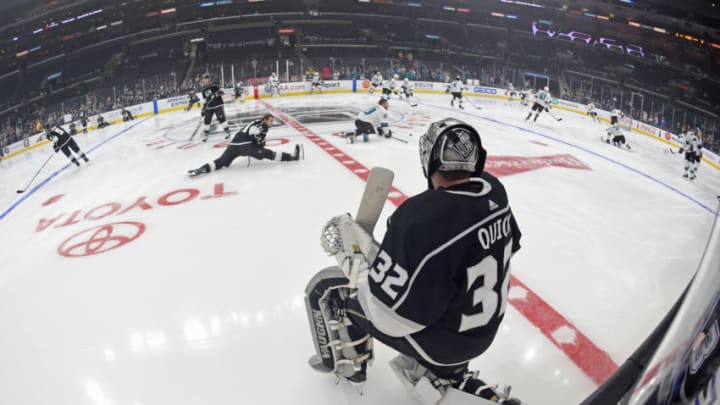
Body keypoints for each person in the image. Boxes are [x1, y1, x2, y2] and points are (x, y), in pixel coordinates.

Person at [305, 118, 524, 404]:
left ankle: (350, 370)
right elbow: (496, 245)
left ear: (428, 159)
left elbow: (388, 318)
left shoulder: (420, 217)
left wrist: (352, 262)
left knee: (329, 291)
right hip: (481, 333)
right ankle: (448, 374)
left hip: (447, 344)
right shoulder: (494, 191)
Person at [187, 113, 302, 177]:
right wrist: (260, 144)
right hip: (245, 145)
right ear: (265, 120)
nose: (272, 122)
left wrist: (259, 142)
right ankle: (292, 157)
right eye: (271, 120)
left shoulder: (256, 122)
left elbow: (252, 131)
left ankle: (202, 169)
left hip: (234, 144)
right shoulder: (263, 126)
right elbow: (253, 133)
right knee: (268, 154)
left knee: (221, 162)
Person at [199, 73, 231, 142]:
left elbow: (222, 92)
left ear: (208, 79)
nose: (204, 80)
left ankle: (227, 132)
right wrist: (203, 109)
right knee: (206, 120)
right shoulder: (203, 90)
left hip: (218, 105)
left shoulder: (215, 86)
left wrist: (215, 94)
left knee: (221, 118)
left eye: (205, 79)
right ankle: (206, 135)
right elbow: (206, 101)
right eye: (203, 79)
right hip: (209, 107)